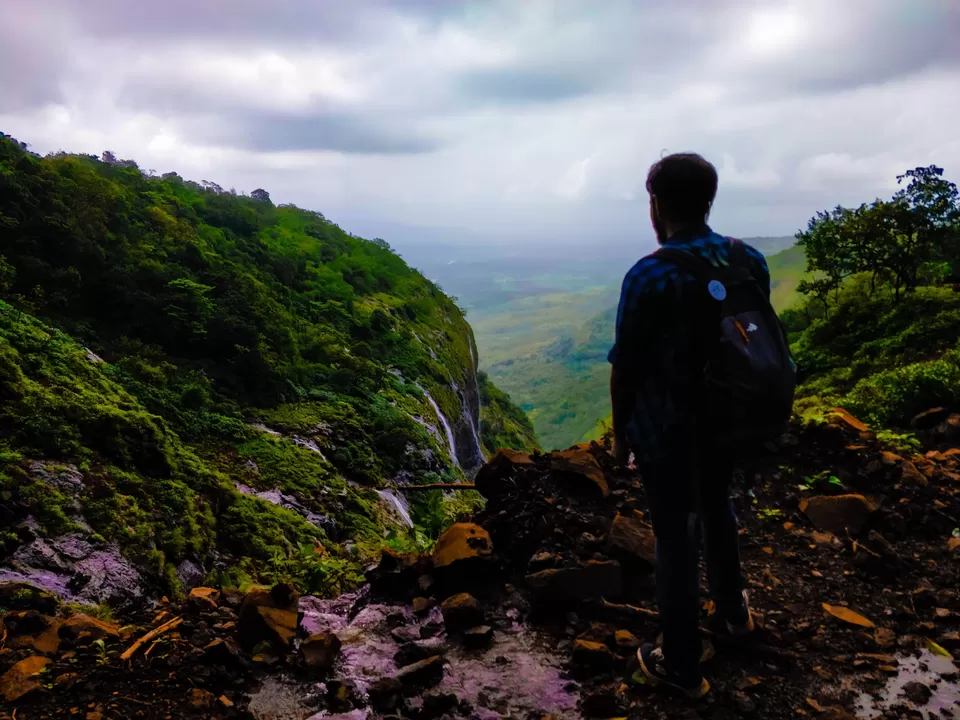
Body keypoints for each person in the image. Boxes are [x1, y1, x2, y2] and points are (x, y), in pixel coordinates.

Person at [608, 153, 776, 699]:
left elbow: (627, 365)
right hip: (732, 422)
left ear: (655, 205)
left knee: (675, 538)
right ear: (710, 200)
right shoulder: (747, 259)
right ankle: (734, 617)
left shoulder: (650, 273)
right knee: (718, 506)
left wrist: (621, 433)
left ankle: (680, 665)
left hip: (670, 432)